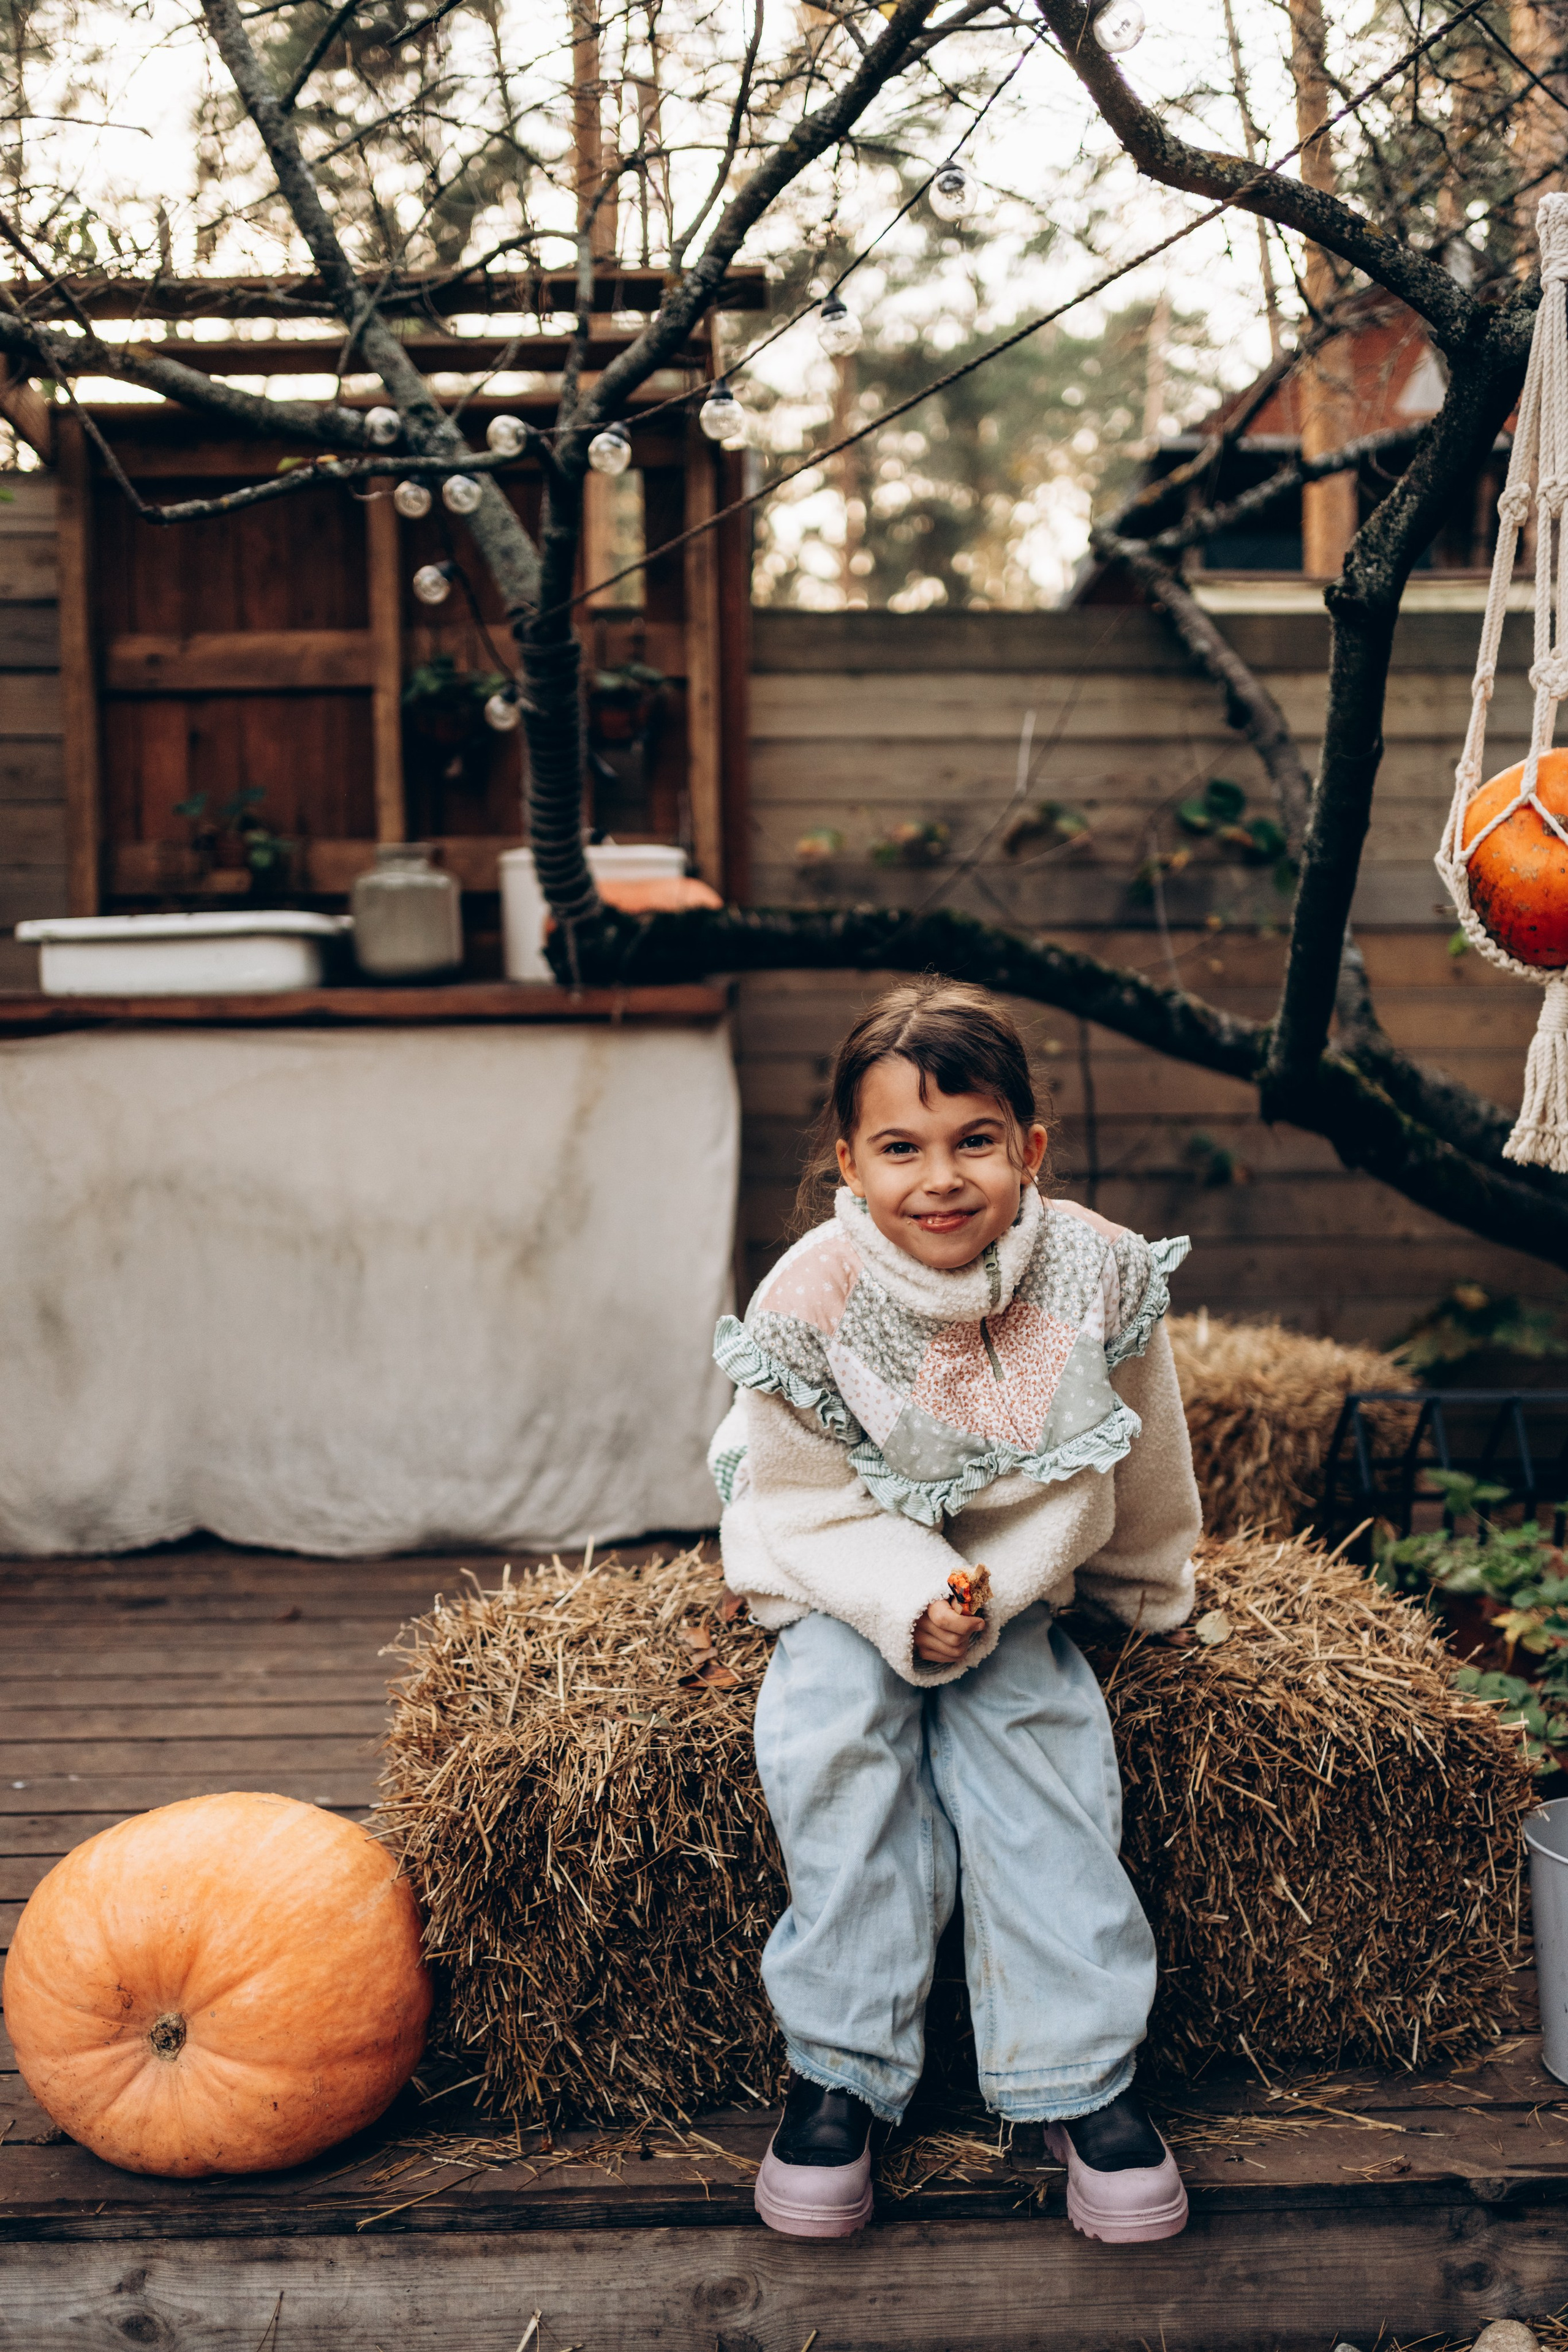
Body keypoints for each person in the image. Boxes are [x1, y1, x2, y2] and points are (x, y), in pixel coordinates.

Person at [707, 978, 1202, 2244]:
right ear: (847, 1162)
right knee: (833, 1730)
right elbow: (804, 1503)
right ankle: (841, 2069)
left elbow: (1143, 1457)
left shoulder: (1091, 1272)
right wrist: (899, 1601)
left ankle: (1074, 2075)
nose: (940, 1177)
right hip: (845, 1554)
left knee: (1032, 1735)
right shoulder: (808, 1297)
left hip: (1010, 1569)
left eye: (973, 1140)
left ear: (1028, 1149)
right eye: (900, 1147)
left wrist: (1153, 1599)